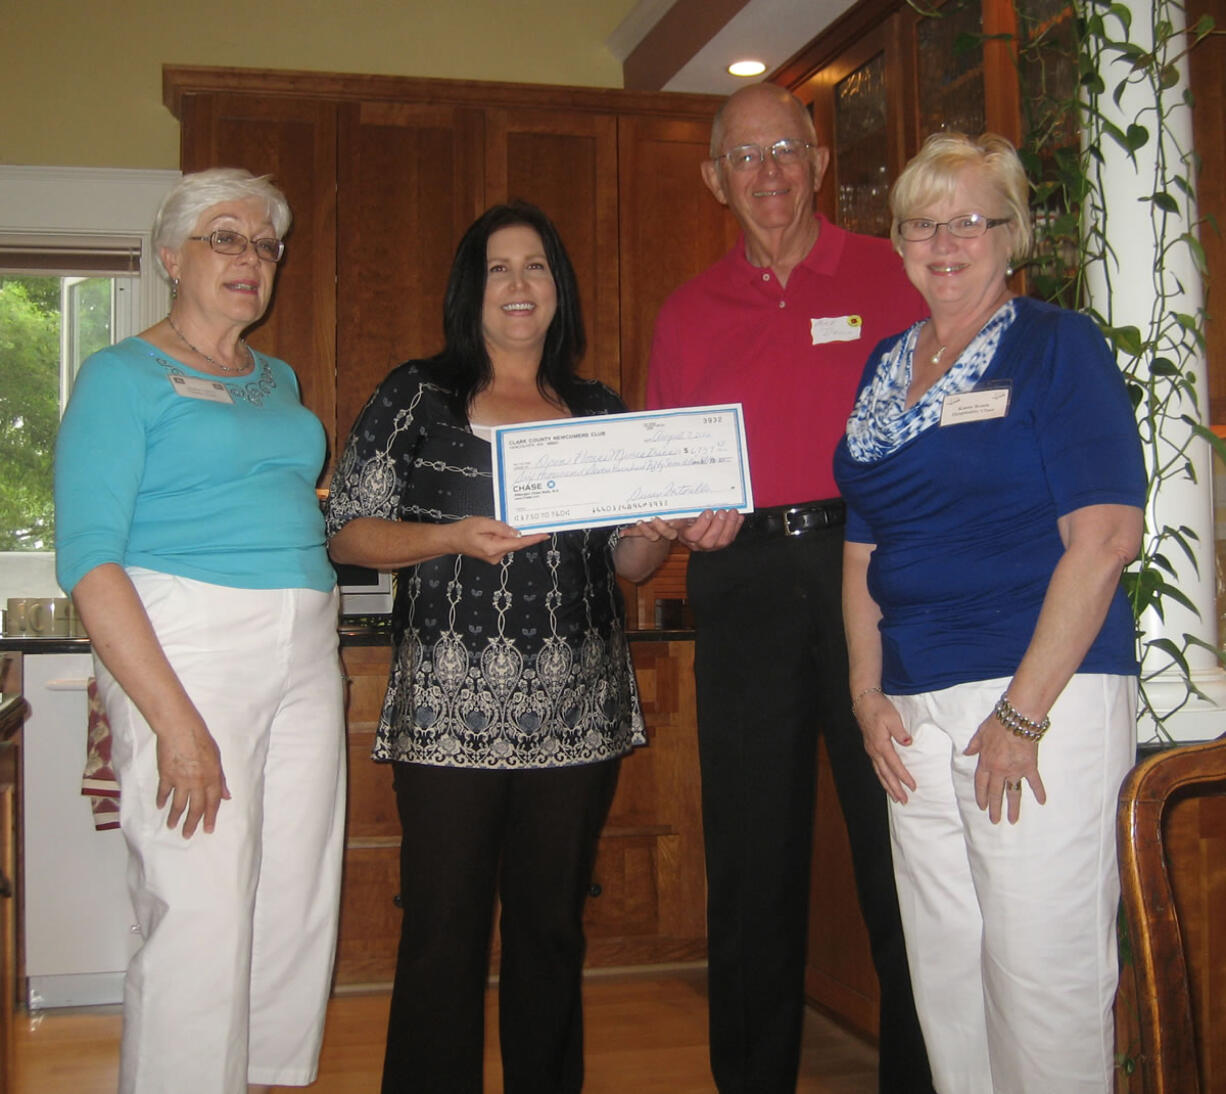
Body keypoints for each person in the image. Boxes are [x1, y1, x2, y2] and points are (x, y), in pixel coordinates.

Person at [326, 200, 684, 1094]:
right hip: (448, 710)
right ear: (471, 291)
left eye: (535, 268)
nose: (519, 286)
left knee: (551, 928)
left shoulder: (598, 409)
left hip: (578, 711)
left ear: (557, 289)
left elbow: (630, 564)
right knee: (441, 926)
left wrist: (661, 528)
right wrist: (450, 537)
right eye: (498, 269)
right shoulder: (418, 395)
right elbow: (346, 532)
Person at [834, 131, 1145, 1093]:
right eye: (922, 222)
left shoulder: (1059, 346)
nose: (944, 241)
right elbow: (862, 548)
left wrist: (1020, 715)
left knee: (1042, 985)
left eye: (971, 220)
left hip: (1038, 702)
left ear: (1015, 238)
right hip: (911, 716)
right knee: (947, 984)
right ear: (897, 241)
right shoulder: (886, 367)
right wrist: (864, 690)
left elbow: (1104, 541)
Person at [646, 82, 933, 1093]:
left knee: (900, 849)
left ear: (816, 162)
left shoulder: (894, 277)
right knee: (749, 860)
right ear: (712, 177)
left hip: (874, 574)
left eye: (783, 151)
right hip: (741, 582)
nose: (766, 172)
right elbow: (666, 475)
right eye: (743, 156)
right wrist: (684, 512)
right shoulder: (686, 313)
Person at [53, 168, 346, 1094]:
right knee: (204, 904)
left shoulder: (277, 379)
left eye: (265, 244)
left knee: (294, 897)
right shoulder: (119, 375)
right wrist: (174, 722)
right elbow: (90, 562)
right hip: (188, 640)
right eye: (226, 236)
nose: (250, 258)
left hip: (308, 647)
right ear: (171, 257)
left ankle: (262, 1079)